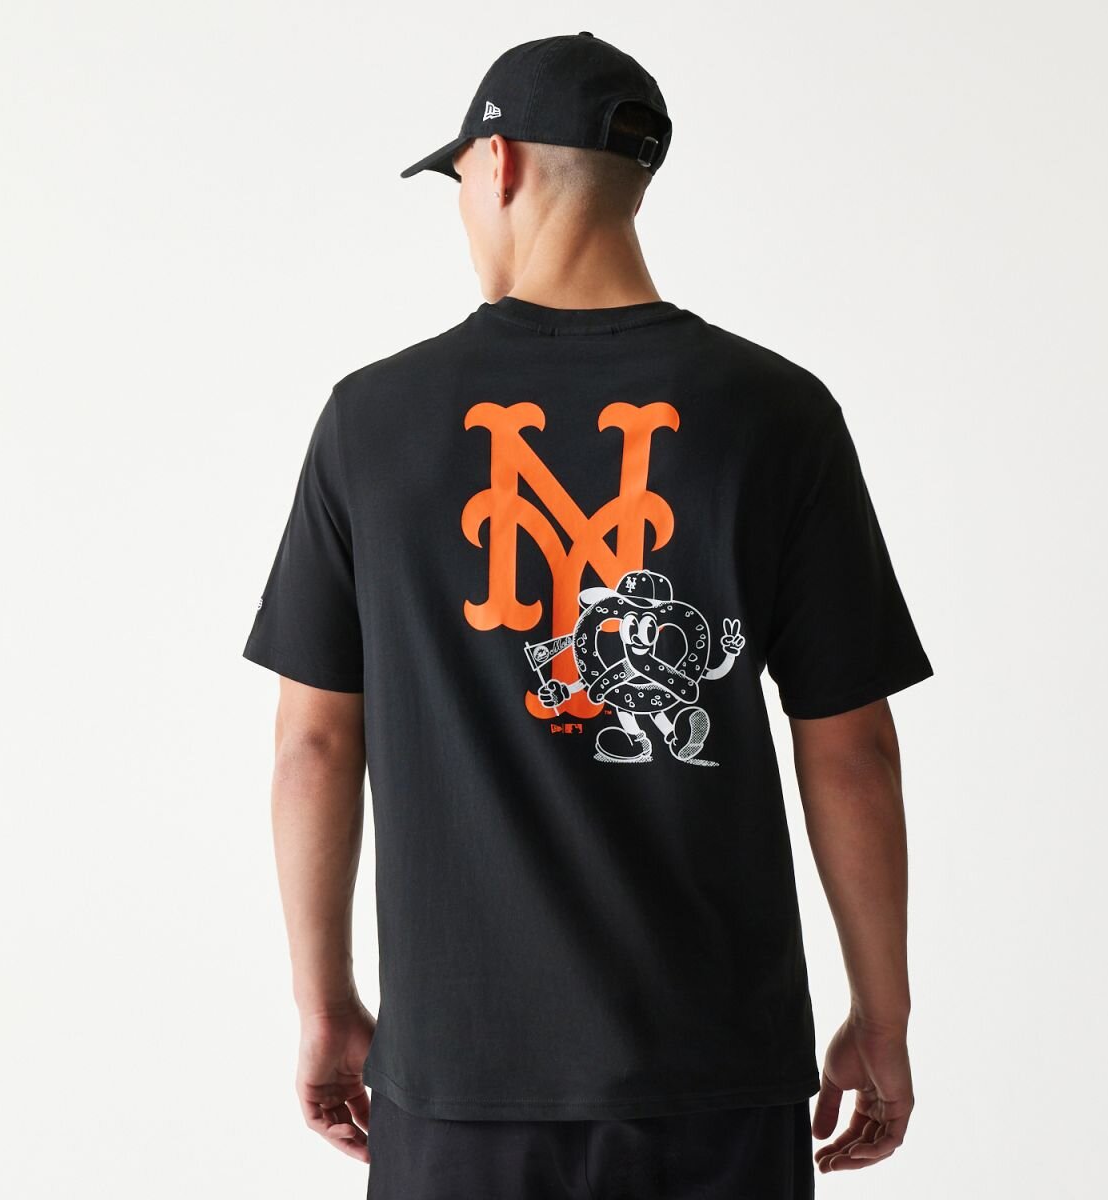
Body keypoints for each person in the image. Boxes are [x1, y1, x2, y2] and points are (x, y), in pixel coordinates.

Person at [242, 30, 933, 1200]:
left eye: (459, 179)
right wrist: (882, 1015)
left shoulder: (372, 421)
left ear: (498, 163)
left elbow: (313, 743)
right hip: (716, 1077)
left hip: (459, 1084)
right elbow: (852, 747)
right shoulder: (778, 414)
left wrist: (325, 1005)